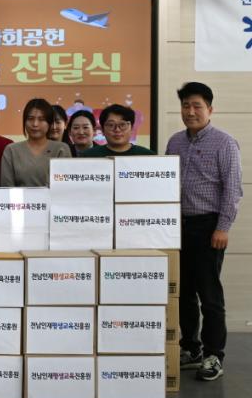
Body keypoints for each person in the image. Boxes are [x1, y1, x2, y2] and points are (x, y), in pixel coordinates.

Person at [166, 82, 242, 381]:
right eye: (186, 105)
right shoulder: (175, 142)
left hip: (208, 226)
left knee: (209, 294)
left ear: (210, 109)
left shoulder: (224, 143)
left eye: (197, 105)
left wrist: (223, 227)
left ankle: (213, 355)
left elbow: (233, 189)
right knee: (183, 292)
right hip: (177, 226)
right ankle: (191, 347)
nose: (190, 111)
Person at [0, 98, 71, 187]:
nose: (35, 124)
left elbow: (64, 187)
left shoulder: (61, 149)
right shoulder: (11, 150)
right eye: (30, 119)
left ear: (49, 123)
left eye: (41, 119)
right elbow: (7, 188)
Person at [80, 104, 155, 157]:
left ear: (131, 128)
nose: (117, 130)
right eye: (111, 125)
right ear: (102, 130)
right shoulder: (88, 156)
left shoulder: (147, 156)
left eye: (122, 125)